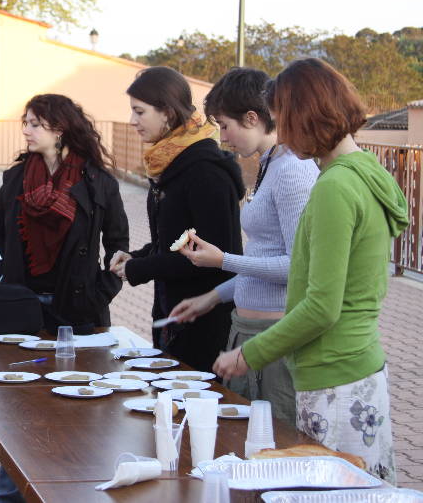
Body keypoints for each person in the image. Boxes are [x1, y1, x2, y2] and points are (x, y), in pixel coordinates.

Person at [214, 58, 408, 484]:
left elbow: (322, 307)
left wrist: (248, 354)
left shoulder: (335, 188)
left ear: (305, 115)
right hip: (358, 365)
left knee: (331, 490)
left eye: (282, 118)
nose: (280, 131)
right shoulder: (366, 172)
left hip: (334, 374)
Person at [0, 93, 129, 503]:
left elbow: (119, 247)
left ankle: (75, 492)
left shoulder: (98, 181)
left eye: (34, 123)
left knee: (79, 409)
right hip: (23, 314)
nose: (26, 130)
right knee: (19, 412)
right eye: (25, 122)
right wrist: (7, 280)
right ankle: (10, 497)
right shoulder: (15, 179)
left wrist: (101, 290)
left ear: (59, 128)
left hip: (80, 315)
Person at [167, 68, 319, 426]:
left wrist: (222, 261)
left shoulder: (293, 170)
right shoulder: (269, 165)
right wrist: (213, 297)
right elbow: (263, 258)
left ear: (253, 117)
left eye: (224, 125)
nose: (222, 137)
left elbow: (299, 266)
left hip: (273, 337)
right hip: (247, 331)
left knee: (273, 446)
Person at [110, 66, 244, 373]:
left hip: (204, 322)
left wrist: (139, 268)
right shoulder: (169, 163)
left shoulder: (204, 171)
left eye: (139, 112)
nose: (132, 122)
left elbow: (213, 254)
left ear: (167, 113)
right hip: (174, 316)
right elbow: (175, 240)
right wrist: (138, 256)